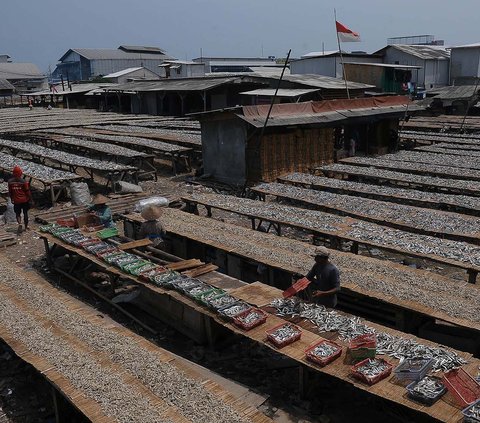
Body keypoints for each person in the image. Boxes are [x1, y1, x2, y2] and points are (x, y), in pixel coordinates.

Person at [8, 166, 32, 232]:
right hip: (24, 200)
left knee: (18, 214)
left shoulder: (10, 182)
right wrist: (31, 199)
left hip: (16, 201)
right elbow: (27, 192)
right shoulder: (23, 182)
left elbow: (10, 192)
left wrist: (12, 199)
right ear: (20, 173)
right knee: (25, 213)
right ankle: (26, 227)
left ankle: (20, 224)